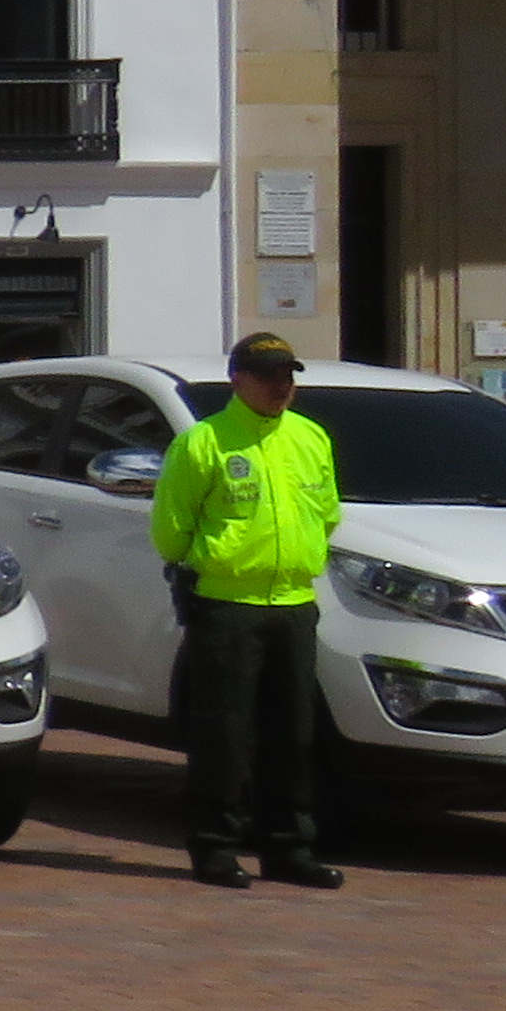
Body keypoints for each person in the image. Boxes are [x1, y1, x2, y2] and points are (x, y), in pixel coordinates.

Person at [148, 331, 345, 891]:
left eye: (288, 376)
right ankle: (216, 847)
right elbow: (171, 529)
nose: (281, 386)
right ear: (238, 381)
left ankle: (288, 848)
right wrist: (214, 564)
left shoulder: (309, 437)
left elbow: (327, 513)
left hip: (294, 603)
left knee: (293, 735)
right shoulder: (204, 442)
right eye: (268, 376)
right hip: (226, 604)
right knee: (225, 735)